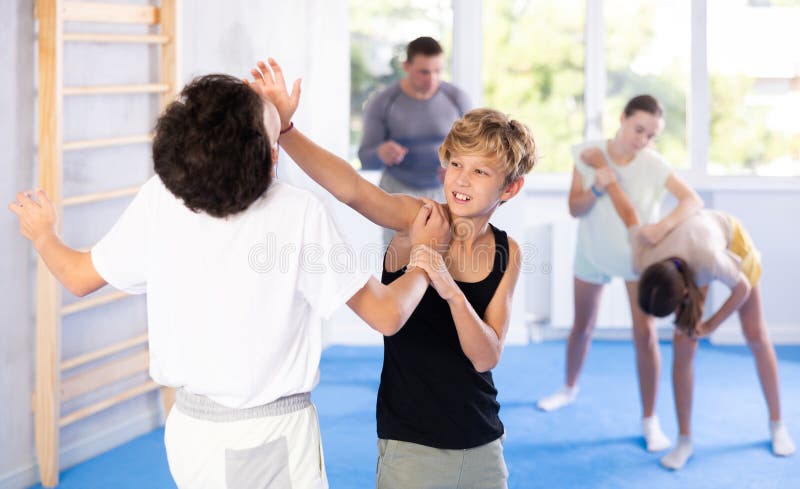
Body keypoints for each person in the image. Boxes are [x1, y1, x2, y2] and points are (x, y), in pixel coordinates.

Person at [8, 74, 449, 489]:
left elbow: (79, 277)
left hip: (188, 431)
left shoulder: (161, 197)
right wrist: (425, 254)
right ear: (271, 157)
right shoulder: (295, 212)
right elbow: (387, 315)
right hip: (267, 436)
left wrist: (44, 235)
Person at [249, 58, 535, 489]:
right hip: (411, 444)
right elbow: (351, 188)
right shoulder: (415, 218)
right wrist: (286, 131)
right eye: (456, 164)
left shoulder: (505, 251)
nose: (461, 179)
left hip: (482, 441)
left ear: (509, 188)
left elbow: (486, 356)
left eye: (480, 171)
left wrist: (449, 289)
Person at [583, 151, 797, 469]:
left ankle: (778, 425)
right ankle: (685, 439)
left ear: (686, 293)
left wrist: (709, 325)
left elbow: (742, 288)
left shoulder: (710, 260)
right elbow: (628, 213)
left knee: (755, 334)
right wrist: (604, 170)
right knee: (684, 345)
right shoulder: (642, 254)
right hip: (685, 252)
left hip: (728, 240)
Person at [537, 95, 704, 453]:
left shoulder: (654, 165)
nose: (642, 139)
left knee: (644, 334)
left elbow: (692, 201)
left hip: (636, 259)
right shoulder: (588, 152)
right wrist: (598, 185)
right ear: (622, 118)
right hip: (592, 252)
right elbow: (573, 209)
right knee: (582, 326)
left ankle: (649, 420)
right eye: (638, 129)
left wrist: (661, 227)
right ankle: (568, 388)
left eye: (651, 135)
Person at [358, 36, 471, 246]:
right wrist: (380, 153)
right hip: (397, 191)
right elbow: (365, 159)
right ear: (406, 67)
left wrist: (459, 169)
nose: (432, 79)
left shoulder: (457, 99)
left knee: (448, 260)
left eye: (438, 71)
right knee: (397, 263)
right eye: (424, 72)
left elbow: (476, 152)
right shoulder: (383, 102)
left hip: (444, 190)